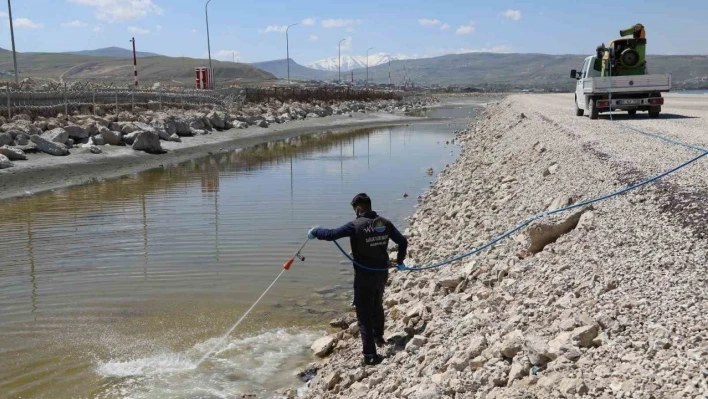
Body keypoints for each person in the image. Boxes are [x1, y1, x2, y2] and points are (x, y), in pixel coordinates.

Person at [308, 193, 408, 366]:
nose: (355, 212)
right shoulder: (384, 223)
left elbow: (331, 234)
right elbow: (403, 242)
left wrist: (316, 231)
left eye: (355, 209)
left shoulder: (356, 225)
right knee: (377, 304)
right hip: (381, 273)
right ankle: (379, 337)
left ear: (359, 208)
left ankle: (370, 355)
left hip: (364, 277)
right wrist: (399, 262)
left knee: (363, 315)